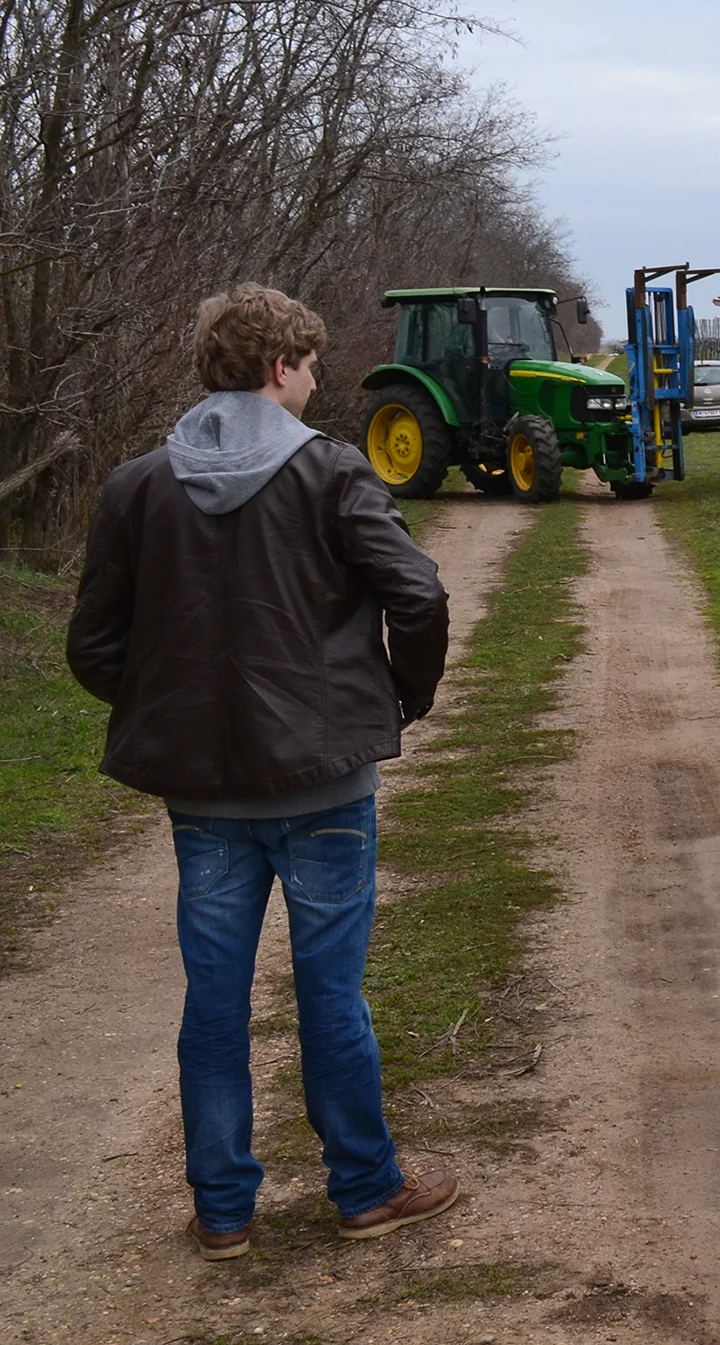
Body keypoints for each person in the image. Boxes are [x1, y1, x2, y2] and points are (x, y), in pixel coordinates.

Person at [66, 286, 457, 1260]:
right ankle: (365, 1189)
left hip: (202, 797)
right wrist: (398, 700)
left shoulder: (138, 484)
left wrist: (168, 705)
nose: (317, 381)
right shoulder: (331, 472)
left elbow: (92, 648)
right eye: (312, 365)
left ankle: (223, 1212)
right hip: (324, 786)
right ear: (279, 368)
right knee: (330, 994)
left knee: (216, 997)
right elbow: (417, 593)